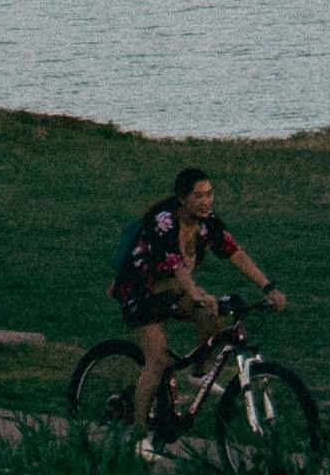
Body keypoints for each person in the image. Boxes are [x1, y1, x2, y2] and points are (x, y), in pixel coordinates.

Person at [104, 168, 278, 458]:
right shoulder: (164, 221)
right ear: (182, 198)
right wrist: (195, 292)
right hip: (141, 291)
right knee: (157, 360)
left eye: (209, 194)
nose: (206, 201)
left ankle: (199, 374)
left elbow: (234, 252)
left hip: (172, 288)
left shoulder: (207, 224)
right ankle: (139, 434)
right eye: (198, 195)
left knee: (212, 316)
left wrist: (268, 287)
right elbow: (174, 265)